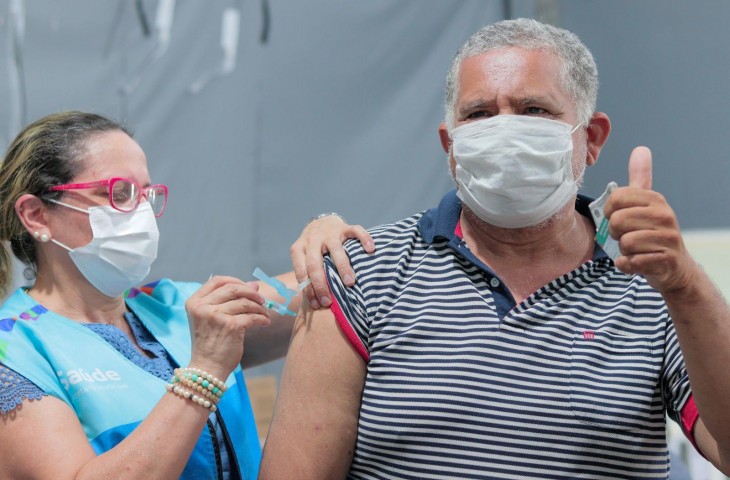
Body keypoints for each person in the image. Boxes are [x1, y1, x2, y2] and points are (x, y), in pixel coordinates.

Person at [260, 18, 730, 479]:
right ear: (450, 146)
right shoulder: (362, 271)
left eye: (534, 110)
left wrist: (685, 285)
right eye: (479, 114)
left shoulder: (653, 289)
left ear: (590, 139)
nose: (505, 133)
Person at [0, 111, 369, 480]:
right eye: (119, 193)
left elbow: (320, 288)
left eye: (146, 194)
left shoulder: (175, 305)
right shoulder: (15, 352)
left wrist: (326, 235)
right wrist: (204, 370)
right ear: (36, 216)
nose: (141, 214)